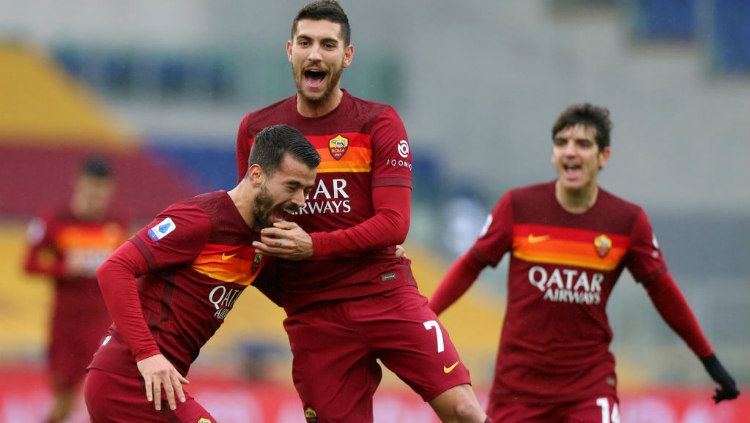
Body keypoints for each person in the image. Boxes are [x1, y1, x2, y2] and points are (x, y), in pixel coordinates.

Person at [235, 2, 490, 422]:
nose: (315, 53)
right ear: (289, 50)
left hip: (385, 294)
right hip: (315, 316)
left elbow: (394, 224)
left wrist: (312, 247)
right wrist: (295, 297)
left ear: (346, 56)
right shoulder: (256, 130)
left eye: (327, 44)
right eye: (305, 43)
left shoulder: (378, 122)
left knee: (464, 409)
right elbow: (255, 224)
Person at [428, 103, 741, 422]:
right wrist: (423, 322)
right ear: (553, 154)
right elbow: (470, 266)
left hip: (588, 390)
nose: (570, 152)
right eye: (562, 143)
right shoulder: (519, 206)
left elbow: (664, 293)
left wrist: (709, 360)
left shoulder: (626, 221)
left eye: (583, 144)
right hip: (519, 391)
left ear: (604, 156)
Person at [83, 124, 319, 422]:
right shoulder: (201, 219)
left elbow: (302, 295)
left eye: (306, 190)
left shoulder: (262, 237)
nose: (301, 200)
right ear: (257, 175)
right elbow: (114, 268)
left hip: (156, 383)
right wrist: (148, 355)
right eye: (292, 186)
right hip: (130, 380)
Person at [23, 156, 127, 423]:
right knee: (64, 404)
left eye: (101, 192)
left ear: (110, 190)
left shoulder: (117, 223)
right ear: (79, 185)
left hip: (102, 325)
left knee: (103, 396)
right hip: (65, 327)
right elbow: (29, 263)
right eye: (91, 190)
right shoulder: (53, 220)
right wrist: (64, 267)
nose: (96, 198)